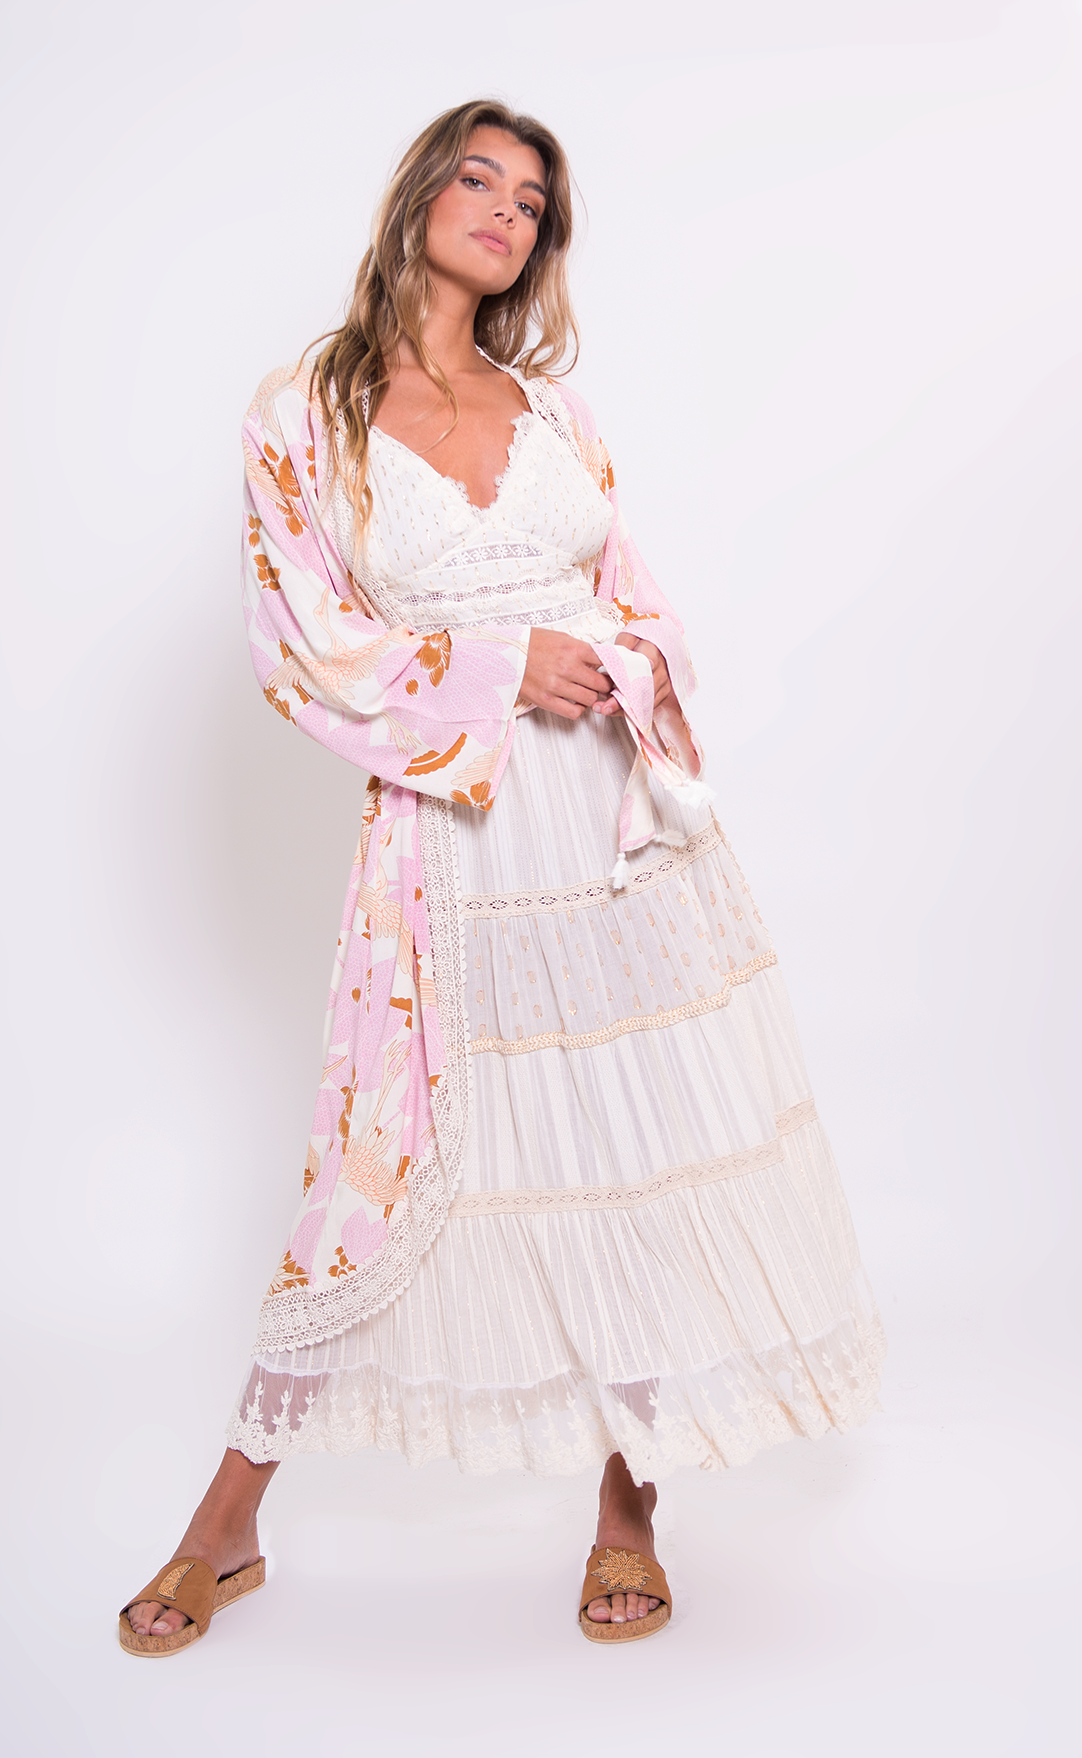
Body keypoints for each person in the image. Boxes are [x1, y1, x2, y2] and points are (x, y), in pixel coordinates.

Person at [119, 99, 885, 1655]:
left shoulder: (557, 413)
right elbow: (301, 646)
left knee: (634, 1147)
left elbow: (644, 608)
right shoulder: (304, 413)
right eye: (479, 178)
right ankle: (227, 1520)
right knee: (373, 1165)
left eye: (532, 200)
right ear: (419, 196)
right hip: (452, 841)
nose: (505, 210)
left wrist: (609, 659)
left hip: (612, 836)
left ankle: (629, 1505)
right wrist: (497, 667)